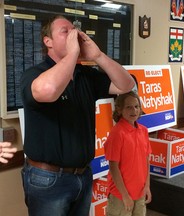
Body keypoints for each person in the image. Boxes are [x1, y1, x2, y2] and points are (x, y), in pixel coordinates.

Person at [20, 15, 135, 216]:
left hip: (82, 176)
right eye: (65, 31)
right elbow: (47, 90)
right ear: (48, 42)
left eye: (75, 29)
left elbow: (126, 84)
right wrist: (73, 53)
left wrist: (98, 56)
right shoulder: (35, 73)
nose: (74, 34)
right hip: (47, 179)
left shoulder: (85, 76)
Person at [104, 91, 152, 216]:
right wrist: (125, 196)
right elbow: (113, 167)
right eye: (129, 107)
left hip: (140, 192)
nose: (134, 110)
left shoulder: (144, 131)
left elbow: (146, 160)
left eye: (136, 107)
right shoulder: (117, 133)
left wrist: (147, 186)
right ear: (119, 110)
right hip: (120, 196)